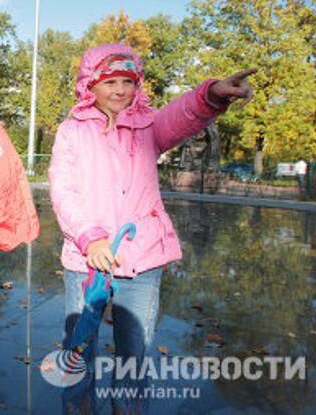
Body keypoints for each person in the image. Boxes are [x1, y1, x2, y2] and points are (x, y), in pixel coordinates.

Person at [48, 43, 255, 412]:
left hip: (141, 257)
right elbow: (64, 190)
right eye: (110, 81)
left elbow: (183, 115)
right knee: (79, 348)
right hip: (87, 260)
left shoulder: (148, 126)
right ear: (89, 86)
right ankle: (77, 407)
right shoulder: (72, 132)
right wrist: (91, 239)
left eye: (128, 81)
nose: (120, 90)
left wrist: (211, 95)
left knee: (136, 350)